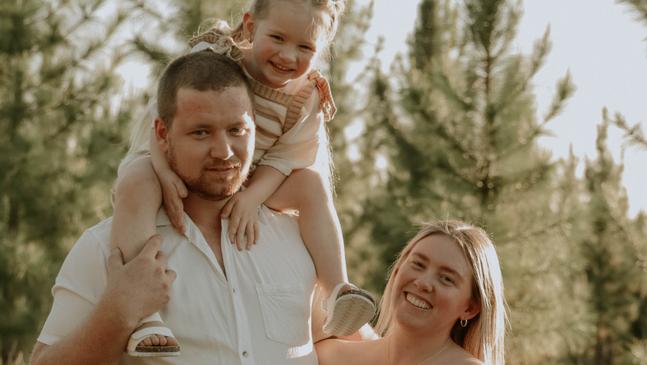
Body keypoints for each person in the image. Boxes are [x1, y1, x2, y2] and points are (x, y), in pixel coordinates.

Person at [111, 0, 375, 356]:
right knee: (134, 180)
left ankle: (338, 289)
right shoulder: (218, 56)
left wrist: (252, 198)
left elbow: (286, 158)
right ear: (250, 27)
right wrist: (162, 170)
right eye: (278, 38)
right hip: (177, 162)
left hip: (250, 180)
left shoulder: (304, 96)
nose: (288, 55)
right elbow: (162, 114)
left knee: (312, 184)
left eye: (305, 47)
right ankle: (145, 315)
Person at [32, 50, 325, 364]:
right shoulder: (107, 248)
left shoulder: (299, 237)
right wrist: (118, 311)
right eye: (201, 132)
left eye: (237, 130)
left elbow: (329, 345)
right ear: (162, 134)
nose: (224, 151)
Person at [316, 221, 508, 365]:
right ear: (398, 270)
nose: (423, 283)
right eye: (418, 264)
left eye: (447, 278)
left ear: (470, 308)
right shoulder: (331, 357)